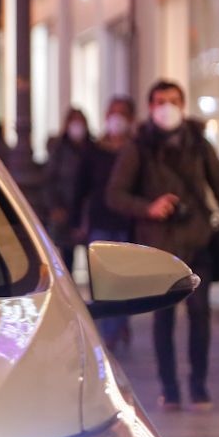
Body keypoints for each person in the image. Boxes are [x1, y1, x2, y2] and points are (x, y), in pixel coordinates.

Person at [107, 80, 219, 410]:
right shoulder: (138, 147)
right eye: (159, 101)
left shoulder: (199, 144)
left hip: (197, 241)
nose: (166, 107)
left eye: (172, 101)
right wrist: (149, 207)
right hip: (159, 248)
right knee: (164, 319)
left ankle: (199, 385)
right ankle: (169, 388)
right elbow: (115, 194)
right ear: (150, 107)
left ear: (183, 105)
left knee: (201, 314)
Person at [74, 96, 137, 351]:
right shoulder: (94, 151)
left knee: (124, 282)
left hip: (126, 224)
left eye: (122, 113)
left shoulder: (135, 151)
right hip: (99, 223)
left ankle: (116, 326)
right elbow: (81, 188)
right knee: (101, 282)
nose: (117, 118)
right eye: (113, 112)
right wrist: (76, 220)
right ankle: (109, 331)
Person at [44, 108, 92, 272]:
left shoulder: (92, 149)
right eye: (73, 121)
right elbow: (49, 181)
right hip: (64, 212)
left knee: (93, 259)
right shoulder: (59, 149)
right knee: (67, 260)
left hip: (87, 215)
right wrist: (55, 207)